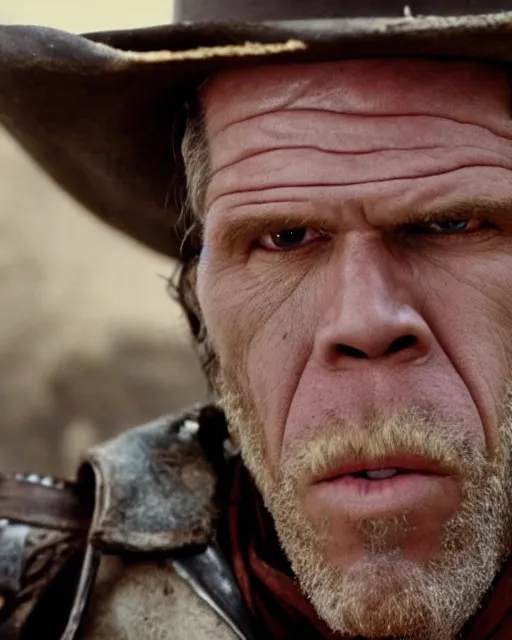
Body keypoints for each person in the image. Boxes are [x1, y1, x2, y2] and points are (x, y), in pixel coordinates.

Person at [1, 1, 512, 638]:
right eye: (286, 236)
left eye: (451, 224)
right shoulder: (37, 607)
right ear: (199, 303)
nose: (364, 321)